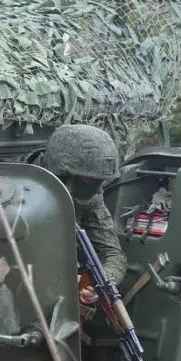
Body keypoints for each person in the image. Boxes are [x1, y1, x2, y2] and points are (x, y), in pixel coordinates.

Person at [39, 124, 127, 304]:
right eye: (92, 181)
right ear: (64, 174)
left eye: (101, 181)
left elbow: (113, 254)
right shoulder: (15, 190)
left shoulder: (90, 199)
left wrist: (103, 283)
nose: (99, 190)